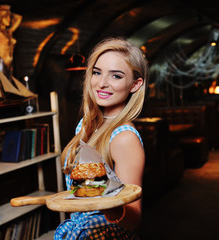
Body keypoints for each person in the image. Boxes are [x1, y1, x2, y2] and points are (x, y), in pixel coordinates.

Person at [54, 37, 148, 240]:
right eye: (97, 72)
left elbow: (133, 219)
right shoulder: (86, 124)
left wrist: (102, 199)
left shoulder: (124, 138)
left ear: (134, 84)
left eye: (115, 76)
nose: (102, 83)